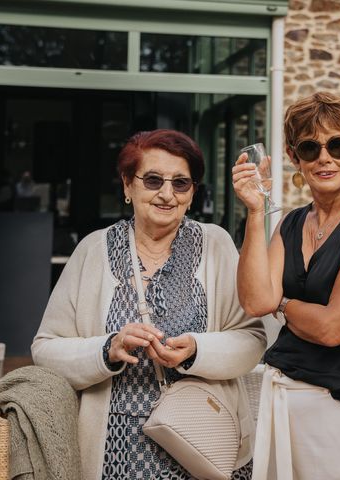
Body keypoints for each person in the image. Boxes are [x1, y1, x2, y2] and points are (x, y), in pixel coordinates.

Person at [32, 129, 266, 480]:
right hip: (115, 453)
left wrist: (196, 350)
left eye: (181, 183)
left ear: (193, 193)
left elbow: (252, 339)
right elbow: (45, 349)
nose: (167, 194)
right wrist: (107, 348)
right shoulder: (93, 250)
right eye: (153, 180)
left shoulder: (216, 245)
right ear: (128, 185)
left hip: (202, 445)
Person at [232, 92, 340, 480]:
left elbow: (332, 329)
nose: (325, 157)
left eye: (337, 144)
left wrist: (283, 303)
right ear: (296, 158)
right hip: (284, 401)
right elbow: (256, 299)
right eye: (310, 148)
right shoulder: (291, 223)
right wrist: (256, 211)